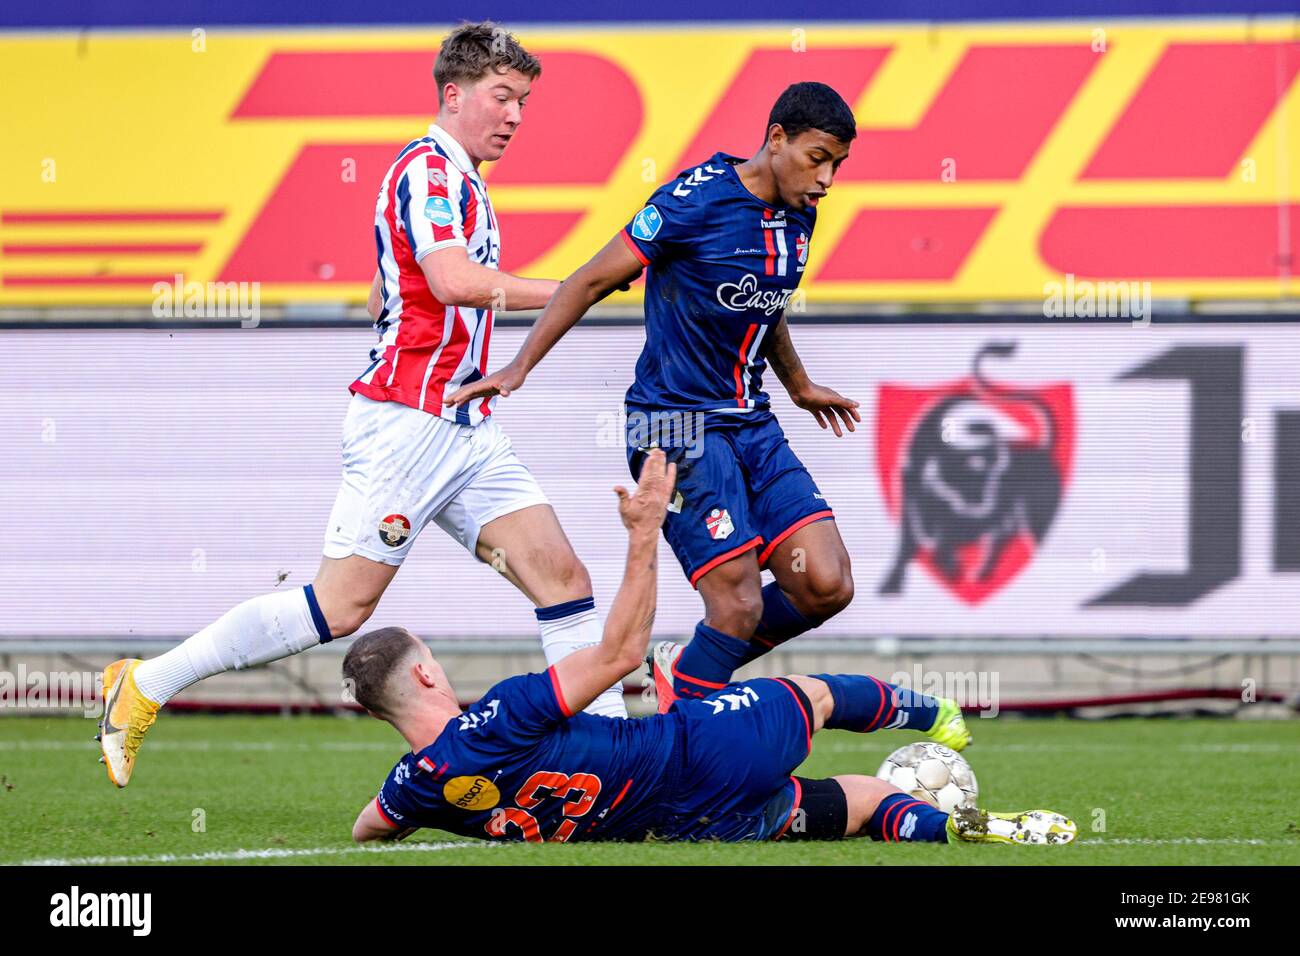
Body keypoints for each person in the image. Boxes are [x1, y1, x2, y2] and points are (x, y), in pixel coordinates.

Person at [98, 22, 627, 789]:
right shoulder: (429, 170)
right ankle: (146, 683)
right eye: (502, 96)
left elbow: (392, 286)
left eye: (524, 101)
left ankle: (610, 762)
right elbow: (451, 280)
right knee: (339, 607)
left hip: (464, 424)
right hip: (411, 425)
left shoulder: (457, 178)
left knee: (562, 577)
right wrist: (583, 286)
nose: (516, 115)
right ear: (455, 94)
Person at [347, 450, 1077, 847]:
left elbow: (368, 828)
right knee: (813, 696)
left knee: (856, 806)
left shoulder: (414, 788)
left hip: (694, 824)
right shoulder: (501, 714)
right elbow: (617, 652)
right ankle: (937, 716)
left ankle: (958, 828)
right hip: (700, 751)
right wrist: (643, 532)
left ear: (383, 713)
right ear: (426, 671)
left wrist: (413, 798)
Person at [448, 82, 866, 714]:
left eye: (837, 164)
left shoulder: (798, 209)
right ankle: (684, 739)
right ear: (776, 139)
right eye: (818, 158)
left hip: (752, 422)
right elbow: (590, 280)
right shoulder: (690, 203)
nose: (827, 178)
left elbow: (765, 301)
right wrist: (518, 366)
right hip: (673, 428)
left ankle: (688, 669)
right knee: (738, 604)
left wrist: (798, 384)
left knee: (827, 586)